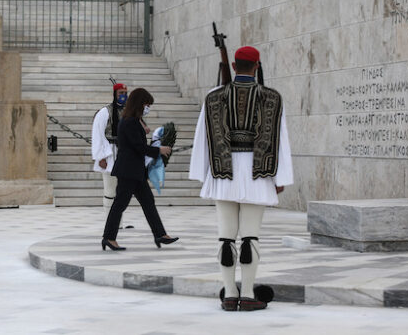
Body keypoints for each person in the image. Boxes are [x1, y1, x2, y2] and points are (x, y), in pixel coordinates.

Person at [189, 46, 294, 312]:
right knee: (250, 237)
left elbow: (203, 137)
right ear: (257, 66)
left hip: (223, 172)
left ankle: (229, 295)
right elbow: (280, 140)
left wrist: (202, 174)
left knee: (225, 237)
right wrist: (280, 176)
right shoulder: (272, 97)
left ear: (234, 67)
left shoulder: (214, 97)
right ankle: (247, 294)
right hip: (258, 173)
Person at [102, 88, 179, 251]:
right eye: (146, 104)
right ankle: (109, 237)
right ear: (139, 104)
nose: (148, 107)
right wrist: (159, 150)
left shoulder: (133, 121)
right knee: (120, 204)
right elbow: (138, 147)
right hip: (128, 171)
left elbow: (138, 146)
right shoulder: (129, 122)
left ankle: (160, 234)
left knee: (148, 203)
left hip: (135, 172)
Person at [91, 82, 132, 228]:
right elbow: (97, 134)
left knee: (121, 191)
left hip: (124, 154)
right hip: (109, 154)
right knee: (109, 189)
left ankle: (119, 223)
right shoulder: (105, 112)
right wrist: (100, 156)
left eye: (125, 93)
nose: (123, 96)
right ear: (115, 94)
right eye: (120, 93)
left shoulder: (128, 111)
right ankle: (110, 223)